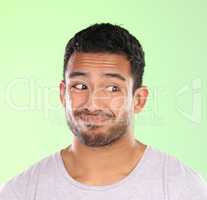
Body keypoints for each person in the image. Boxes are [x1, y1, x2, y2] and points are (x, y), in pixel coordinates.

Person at [0, 23, 207, 200]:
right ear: (63, 94)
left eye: (112, 88)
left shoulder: (182, 189)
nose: (93, 104)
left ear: (139, 99)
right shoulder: (21, 192)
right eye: (80, 86)